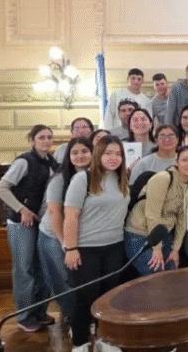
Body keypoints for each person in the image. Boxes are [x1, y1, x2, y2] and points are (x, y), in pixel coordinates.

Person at [63, 136, 130, 351]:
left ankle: (105, 340)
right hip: (86, 248)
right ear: (98, 154)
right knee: (85, 298)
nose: (113, 158)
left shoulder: (121, 179)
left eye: (118, 153)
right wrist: (71, 248)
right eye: (108, 153)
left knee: (109, 297)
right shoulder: (83, 178)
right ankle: (80, 343)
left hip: (114, 246)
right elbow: (70, 216)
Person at [0, 125, 58, 332]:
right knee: (25, 269)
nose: (46, 141)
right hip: (22, 224)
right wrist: (22, 209)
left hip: (42, 223)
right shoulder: (24, 161)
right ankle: (24, 316)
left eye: (49, 137)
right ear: (32, 140)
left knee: (42, 269)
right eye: (41, 137)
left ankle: (39, 311)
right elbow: (1, 188)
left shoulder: (52, 162)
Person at [38, 137, 92, 326]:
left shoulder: (96, 175)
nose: (80, 156)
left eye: (84, 151)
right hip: (54, 235)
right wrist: (66, 244)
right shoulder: (60, 178)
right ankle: (73, 318)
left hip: (77, 236)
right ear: (68, 156)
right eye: (74, 152)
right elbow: (54, 213)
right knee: (64, 278)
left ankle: (82, 317)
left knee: (79, 278)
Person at [124, 146, 188, 275]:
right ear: (176, 161)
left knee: (172, 275)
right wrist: (156, 248)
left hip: (163, 234)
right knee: (157, 277)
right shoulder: (163, 178)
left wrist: (175, 249)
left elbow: (183, 219)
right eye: (185, 160)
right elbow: (152, 215)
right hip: (140, 234)